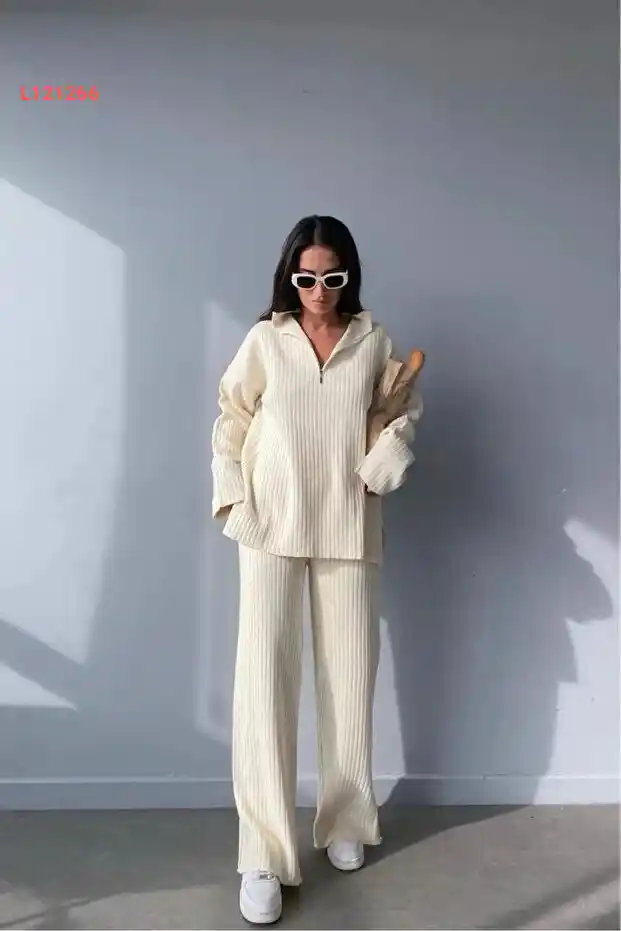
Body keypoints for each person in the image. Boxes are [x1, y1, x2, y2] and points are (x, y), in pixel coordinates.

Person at [211, 215, 423, 924]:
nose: (319, 291)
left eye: (332, 277)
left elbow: (400, 413)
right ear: (289, 276)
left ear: (348, 275)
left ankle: (346, 819)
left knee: (349, 676)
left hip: (348, 520)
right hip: (270, 523)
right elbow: (231, 417)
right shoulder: (265, 339)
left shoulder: (374, 340)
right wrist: (233, 496)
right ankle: (264, 854)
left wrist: (379, 467)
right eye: (306, 278)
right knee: (263, 684)